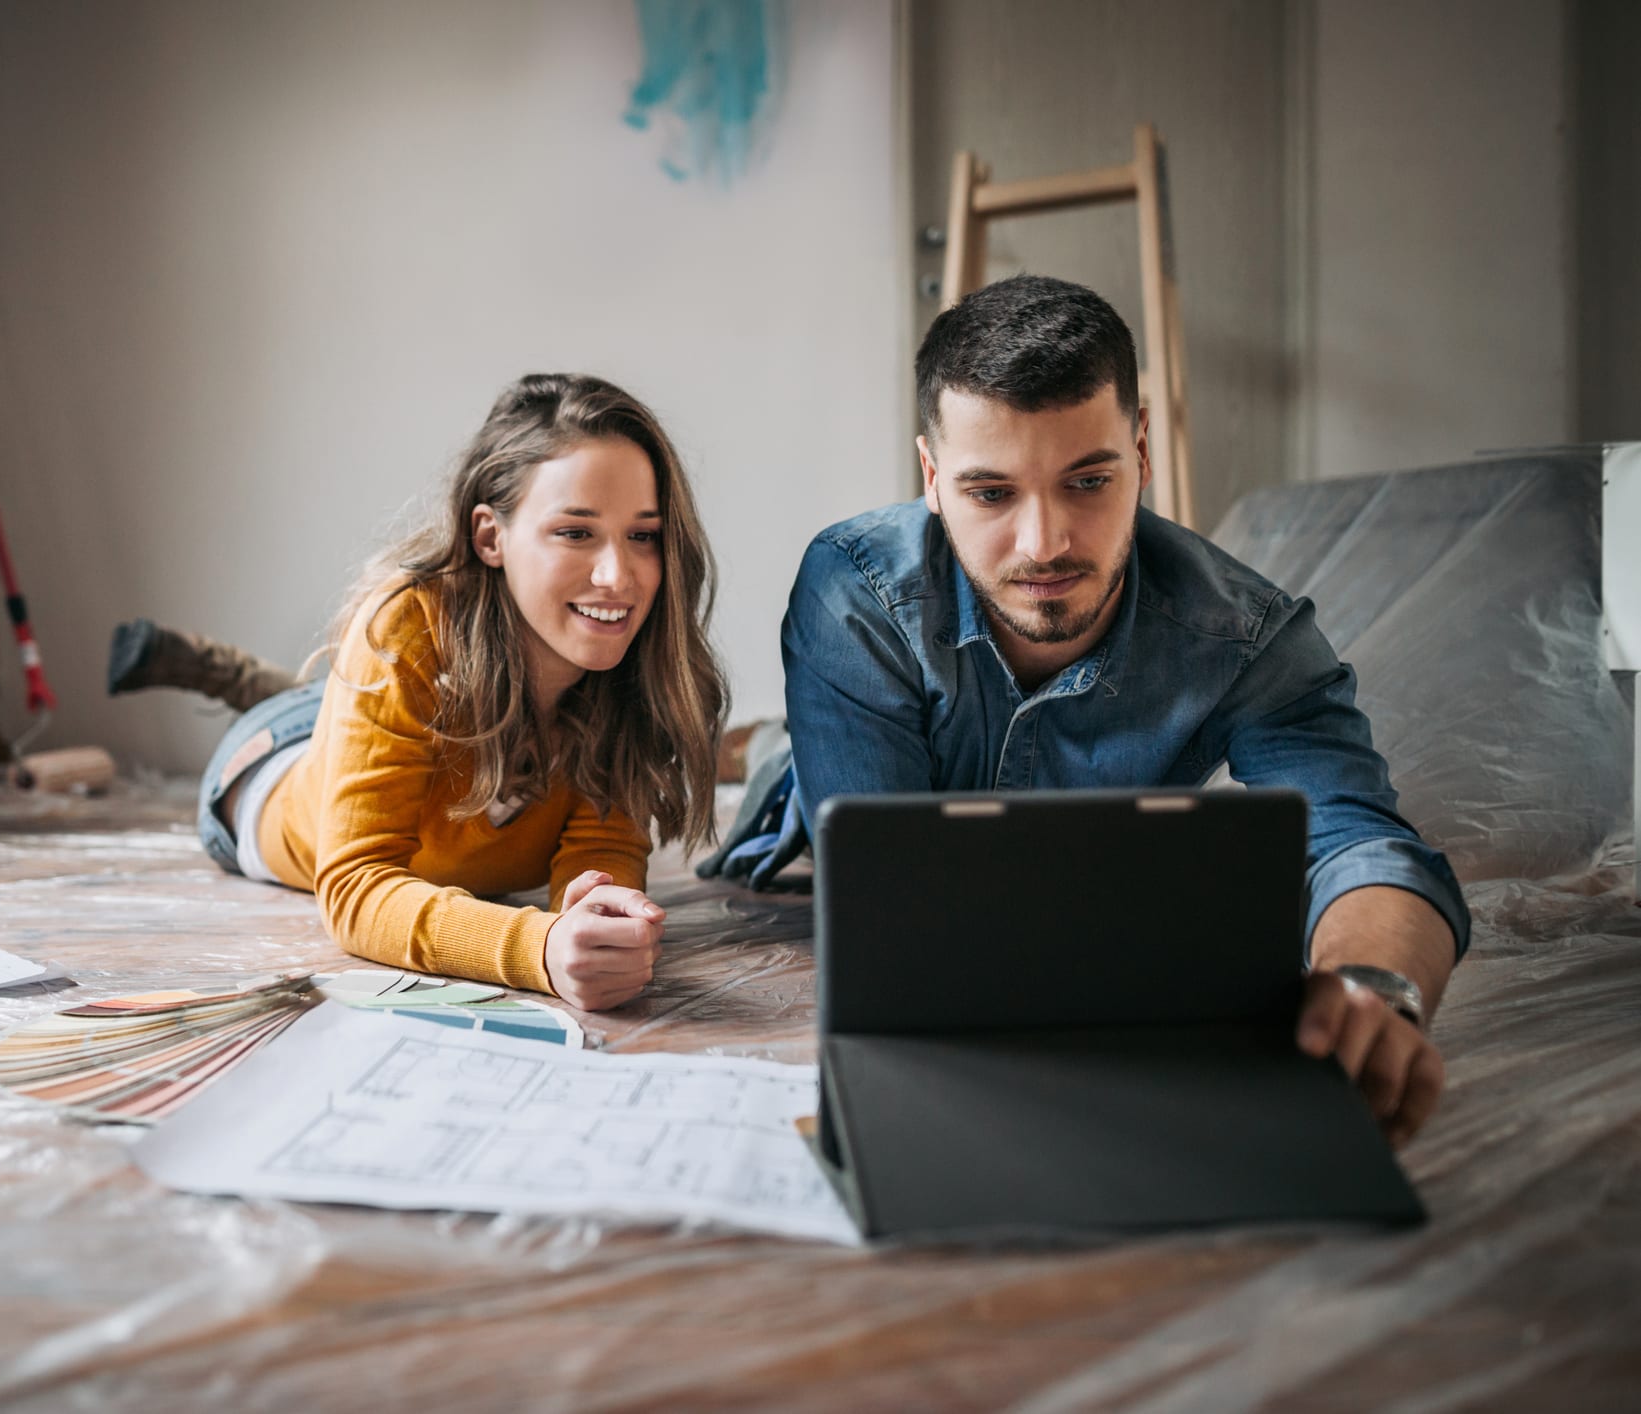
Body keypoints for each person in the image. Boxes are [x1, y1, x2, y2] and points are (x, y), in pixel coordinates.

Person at [772, 274, 1468, 1145]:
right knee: (785, 785)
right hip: (836, 782)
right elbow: (888, 912)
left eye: (1088, 480)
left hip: (1079, 842)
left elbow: (1361, 840)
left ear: (1142, 453)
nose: (1043, 544)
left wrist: (1375, 989)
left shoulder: (1245, 636)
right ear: (931, 477)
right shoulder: (854, 590)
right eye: (989, 493)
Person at [110, 373, 727, 1012]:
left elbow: (602, 850)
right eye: (575, 532)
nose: (617, 576)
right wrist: (537, 948)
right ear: (490, 537)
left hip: (415, 704)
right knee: (307, 697)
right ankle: (213, 669)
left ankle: (282, 683)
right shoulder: (404, 628)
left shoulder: (631, 666)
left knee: (336, 691)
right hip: (265, 766)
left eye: (643, 535)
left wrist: (600, 923)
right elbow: (354, 888)